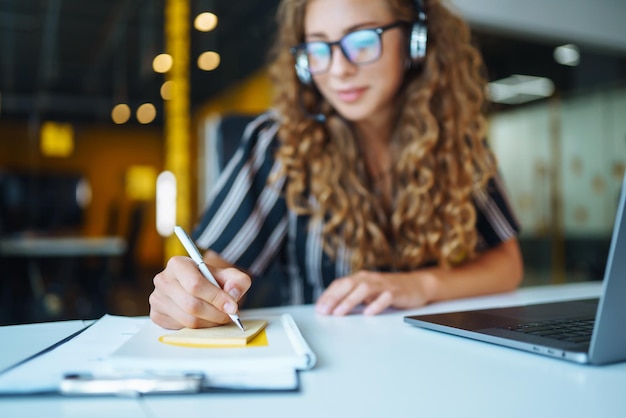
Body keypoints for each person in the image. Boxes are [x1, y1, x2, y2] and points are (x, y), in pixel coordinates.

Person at [149, 0, 524, 330]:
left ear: (415, 41)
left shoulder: (456, 137)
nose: (338, 69)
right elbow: (216, 266)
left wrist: (420, 286)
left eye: (361, 41)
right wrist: (190, 294)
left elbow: (507, 264)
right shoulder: (277, 143)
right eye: (318, 47)